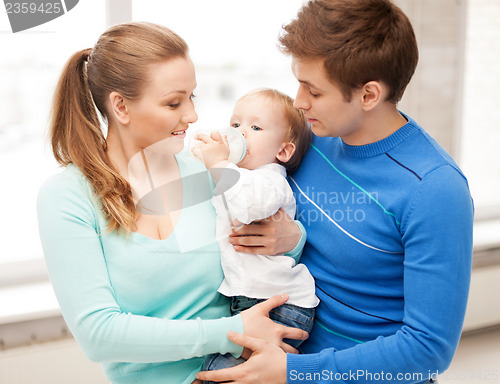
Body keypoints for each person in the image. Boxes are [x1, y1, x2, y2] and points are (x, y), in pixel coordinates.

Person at [195, 1, 474, 383]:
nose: (298, 102)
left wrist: (296, 373)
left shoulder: (435, 190)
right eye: (298, 83)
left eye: (313, 90)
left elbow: (427, 350)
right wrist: (294, 239)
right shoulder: (306, 138)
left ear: (369, 95)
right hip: (277, 346)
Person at [36, 22, 308, 384]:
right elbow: (98, 334)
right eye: (174, 102)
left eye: (192, 97)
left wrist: (294, 238)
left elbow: (261, 245)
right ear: (120, 106)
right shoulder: (68, 196)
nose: (192, 115)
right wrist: (230, 331)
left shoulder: (204, 171)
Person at [191, 88, 319, 379]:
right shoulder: (237, 175)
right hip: (250, 300)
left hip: (280, 305)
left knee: (219, 373)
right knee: (216, 371)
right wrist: (204, 152)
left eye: (255, 127)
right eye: (235, 125)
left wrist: (218, 163)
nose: (240, 133)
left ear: (283, 151)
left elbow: (248, 205)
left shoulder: (269, 180)